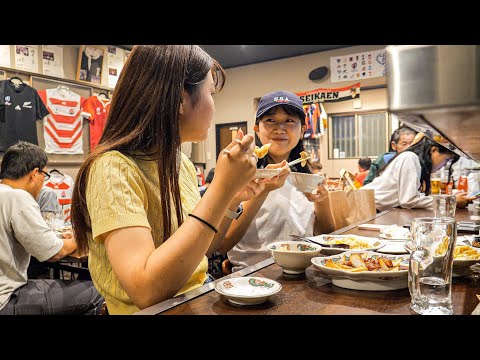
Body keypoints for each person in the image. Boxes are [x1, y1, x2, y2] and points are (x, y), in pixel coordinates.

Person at [71, 45, 261, 315]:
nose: (214, 105)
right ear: (181, 100)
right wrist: (221, 186)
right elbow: (145, 290)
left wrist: (231, 198)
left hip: (197, 300)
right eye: (210, 92)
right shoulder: (112, 168)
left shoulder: (179, 162)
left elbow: (201, 251)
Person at [216, 90, 337, 273]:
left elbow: (326, 235)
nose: (279, 128)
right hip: (252, 274)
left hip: (303, 271)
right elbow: (222, 245)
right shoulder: (242, 172)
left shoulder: (307, 176)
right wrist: (262, 191)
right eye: (270, 120)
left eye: (289, 121)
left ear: (303, 130)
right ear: (257, 129)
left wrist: (323, 202)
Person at [0, 141, 104, 315]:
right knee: (98, 293)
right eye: (44, 175)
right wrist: (81, 238)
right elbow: (53, 252)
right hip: (7, 299)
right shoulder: (17, 197)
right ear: (35, 174)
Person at [362, 133, 476, 211]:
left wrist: (449, 198)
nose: (442, 166)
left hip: (373, 209)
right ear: (434, 150)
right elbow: (409, 201)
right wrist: (450, 201)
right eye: (445, 160)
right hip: (363, 207)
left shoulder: (414, 161)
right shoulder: (410, 157)